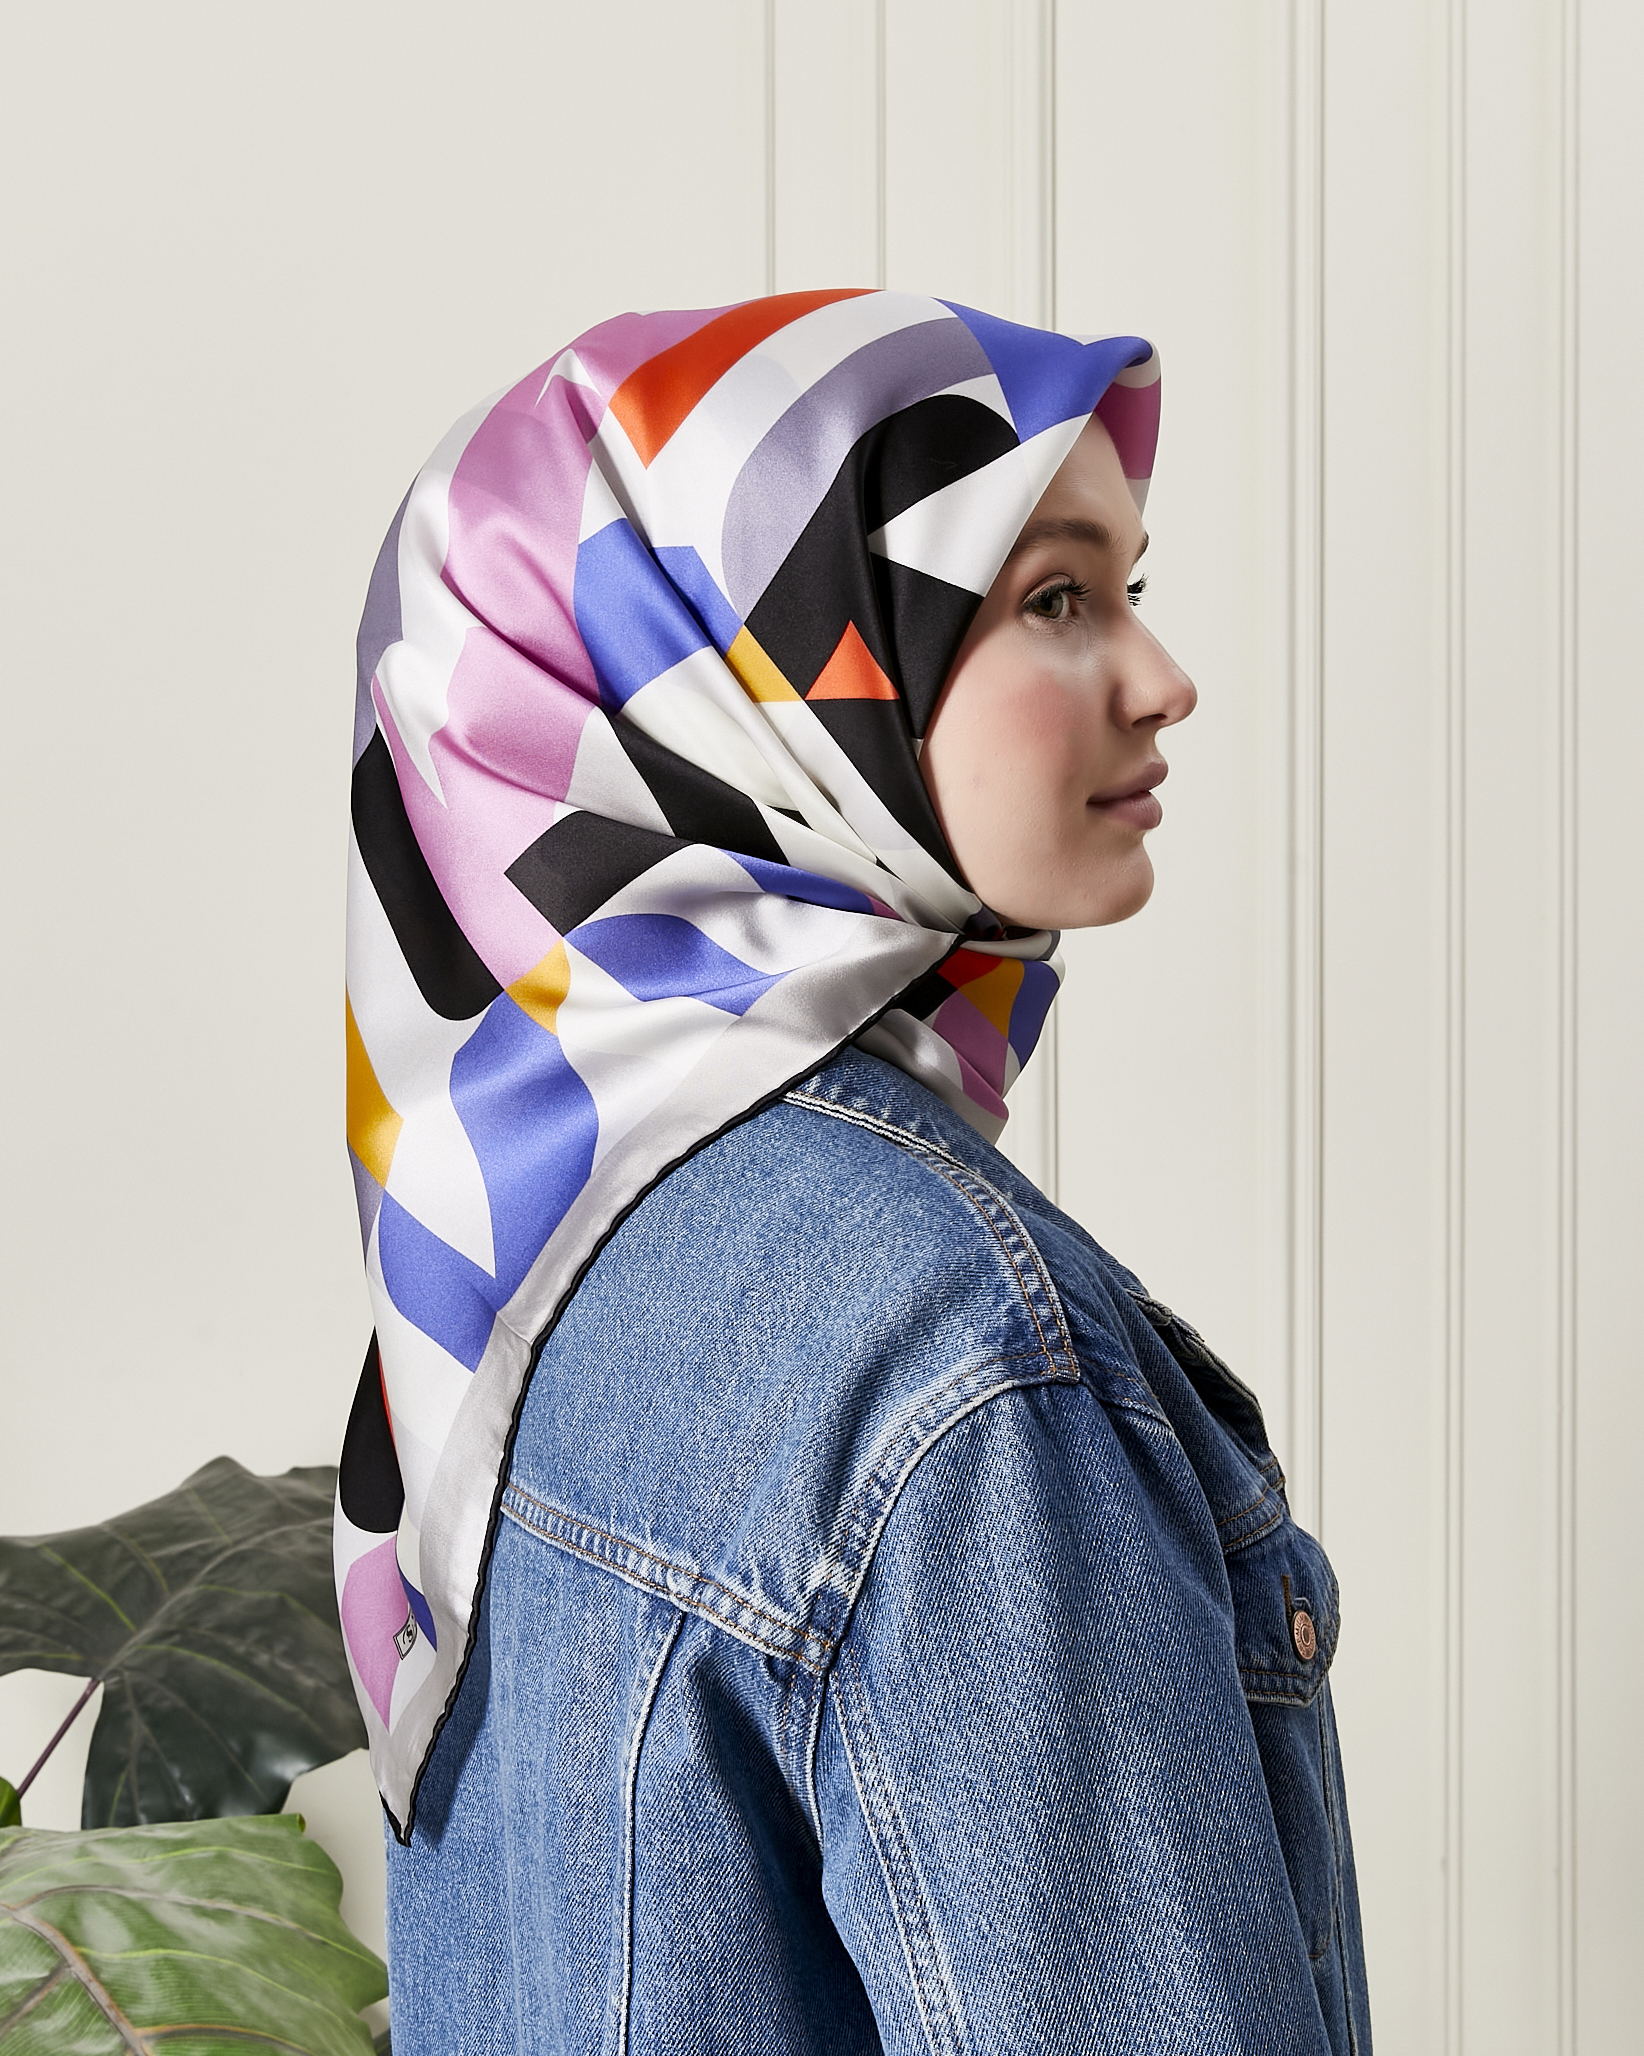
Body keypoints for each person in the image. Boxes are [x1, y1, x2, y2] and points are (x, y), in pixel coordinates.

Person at [339, 288, 1372, 2054]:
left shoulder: (498, 1283)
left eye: (1129, 586)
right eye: (1057, 599)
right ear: (752, 675)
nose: (1163, 677)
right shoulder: (956, 1348)